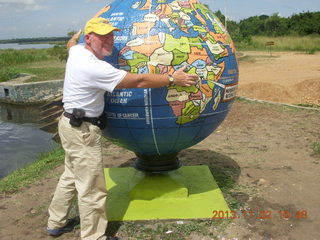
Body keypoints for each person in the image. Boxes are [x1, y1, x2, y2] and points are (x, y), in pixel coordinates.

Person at [46, 17, 198, 240]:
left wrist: (72, 38)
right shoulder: (94, 66)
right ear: (89, 39)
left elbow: (70, 46)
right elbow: (138, 81)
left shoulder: (77, 52)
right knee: (92, 188)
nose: (109, 40)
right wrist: (172, 78)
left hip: (69, 125)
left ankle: (56, 222)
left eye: (111, 35)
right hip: (83, 131)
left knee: (71, 175)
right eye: (102, 36)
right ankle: (94, 237)